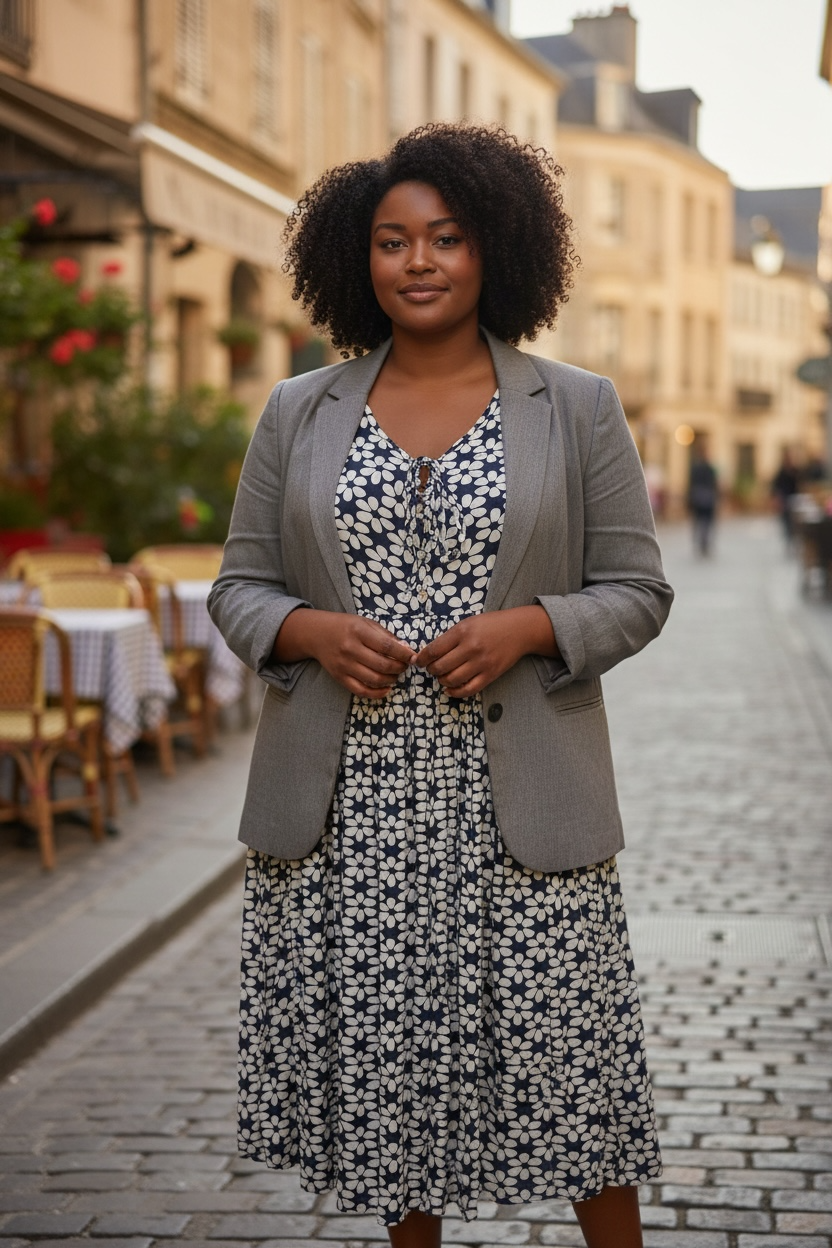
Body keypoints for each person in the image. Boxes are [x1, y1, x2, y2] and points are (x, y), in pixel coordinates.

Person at [209, 123, 674, 1248]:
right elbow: (238, 587)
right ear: (356, 258)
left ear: (493, 248)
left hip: (526, 801)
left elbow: (638, 590)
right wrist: (308, 630)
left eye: (446, 237)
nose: (417, 261)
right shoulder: (297, 411)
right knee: (388, 1086)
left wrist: (532, 625)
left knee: (575, 1076)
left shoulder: (576, 405)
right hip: (351, 810)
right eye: (391, 241)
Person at [687, 441, 718, 556]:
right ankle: (703, 543)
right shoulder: (704, 468)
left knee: (703, 522)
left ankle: (703, 543)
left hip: (703, 498)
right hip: (703, 498)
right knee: (702, 522)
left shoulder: (702, 468)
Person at [770, 450, 801, 546]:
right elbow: (775, 487)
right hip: (784, 500)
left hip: (794, 499)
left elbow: (799, 484)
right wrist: (777, 499)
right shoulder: (781, 472)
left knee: (794, 521)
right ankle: (788, 539)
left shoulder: (795, 470)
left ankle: (793, 537)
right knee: (786, 521)